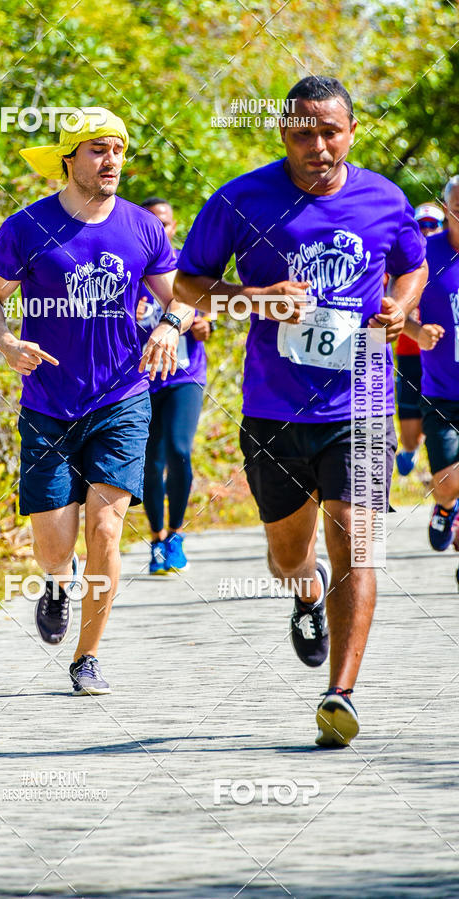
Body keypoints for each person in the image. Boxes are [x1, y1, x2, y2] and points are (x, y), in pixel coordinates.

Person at [174, 76, 428, 747]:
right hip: (275, 410)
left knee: (357, 539)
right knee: (291, 557)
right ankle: (305, 593)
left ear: (352, 131)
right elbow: (189, 284)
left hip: (363, 401)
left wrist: (401, 306)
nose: (316, 145)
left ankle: (339, 694)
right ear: (282, 133)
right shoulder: (241, 198)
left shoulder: (385, 198)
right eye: (301, 133)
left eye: (329, 132)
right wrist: (253, 297)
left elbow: (413, 266)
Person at [0, 108, 193, 695]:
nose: (112, 160)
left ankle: (87, 658)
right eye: (98, 150)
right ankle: (54, 583)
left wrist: (170, 325)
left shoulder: (144, 226)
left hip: (122, 396)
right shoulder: (26, 227)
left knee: (106, 528)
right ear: (69, 159)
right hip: (48, 402)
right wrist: (7, 340)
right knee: (54, 542)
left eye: (118, 150)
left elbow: (184, 295)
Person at [136, 197, 212, 574]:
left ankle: (177, 535)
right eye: (152, 222)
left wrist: (201, 326)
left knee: (180, 450)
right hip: (142, 378)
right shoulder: (128, 264)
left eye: (165, 223)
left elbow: (204, 321)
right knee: (152, 460)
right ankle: (156, 539)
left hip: (185, 373)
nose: (160, 229)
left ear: (173, 227)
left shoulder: (185, 266)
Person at [409, 177, 459, 568]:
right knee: (446, 484)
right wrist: (416, 331)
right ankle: (445, 508)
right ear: (447, 209)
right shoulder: (426, 253)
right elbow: (397, 306)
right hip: (442, 391)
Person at [395, 203, 445, 475]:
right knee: (411, 438)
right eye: (421, 225)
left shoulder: (449, 259)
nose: (427, 231)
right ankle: (416, 450)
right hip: (410, 354)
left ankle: (445, 481)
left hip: (442, 354)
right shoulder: (403, 262)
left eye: (432, 225)